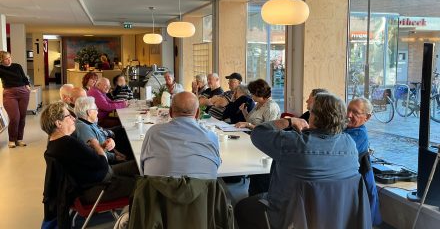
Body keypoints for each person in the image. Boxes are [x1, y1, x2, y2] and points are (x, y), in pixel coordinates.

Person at [235, 93, 360, 229]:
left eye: (310, 111)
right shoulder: (350, 143)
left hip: (291, 217)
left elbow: (258, 132)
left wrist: (290, 121)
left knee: (242, 207)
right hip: (336, 214)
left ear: (315, 116)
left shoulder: (294, 143)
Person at [41, 102, 137, 205]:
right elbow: (103, 165)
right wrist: (95, 143)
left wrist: (102, 147)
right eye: (69, 116)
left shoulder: (54, 144)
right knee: (143, 184)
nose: (74, 119)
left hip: (95, 181)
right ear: (58, 123)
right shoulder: (69, 143)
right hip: (97, 189)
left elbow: (89, 160)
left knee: (136, 166)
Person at [140, 92, 221, 179]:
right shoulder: (212, 137)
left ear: (170, 112)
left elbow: (143, 168)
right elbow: (215, 167)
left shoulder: (153, 133)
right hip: (202, 191)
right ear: (197, 113)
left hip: (157, 191)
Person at [345, 97, 382, 225]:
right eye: (348, 110)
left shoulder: (359, 134)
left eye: (355, 112)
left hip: (357, 184)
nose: (349, 115)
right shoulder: (347, 128)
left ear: (367, 117)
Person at [73, 96, 128, 163]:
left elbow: (102, 141)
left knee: (124, 131)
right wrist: (115, 156)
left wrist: (114, 149)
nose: (97, 112)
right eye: (95, 109)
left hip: (110, 151)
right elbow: (96, 152)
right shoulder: (83, 128)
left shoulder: (87, 122)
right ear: (89, 112)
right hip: (107, 162)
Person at [0, 51, 31, 148]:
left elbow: (24, 77)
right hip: (9, 93)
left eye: (9, 57)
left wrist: (27, 85)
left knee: (22, 116)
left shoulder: (17, 66)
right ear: (1, 60)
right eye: (6, 58)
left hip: (23, 91)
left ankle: (19, 139)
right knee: (14, 117)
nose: (9, 60)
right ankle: (12, 140)